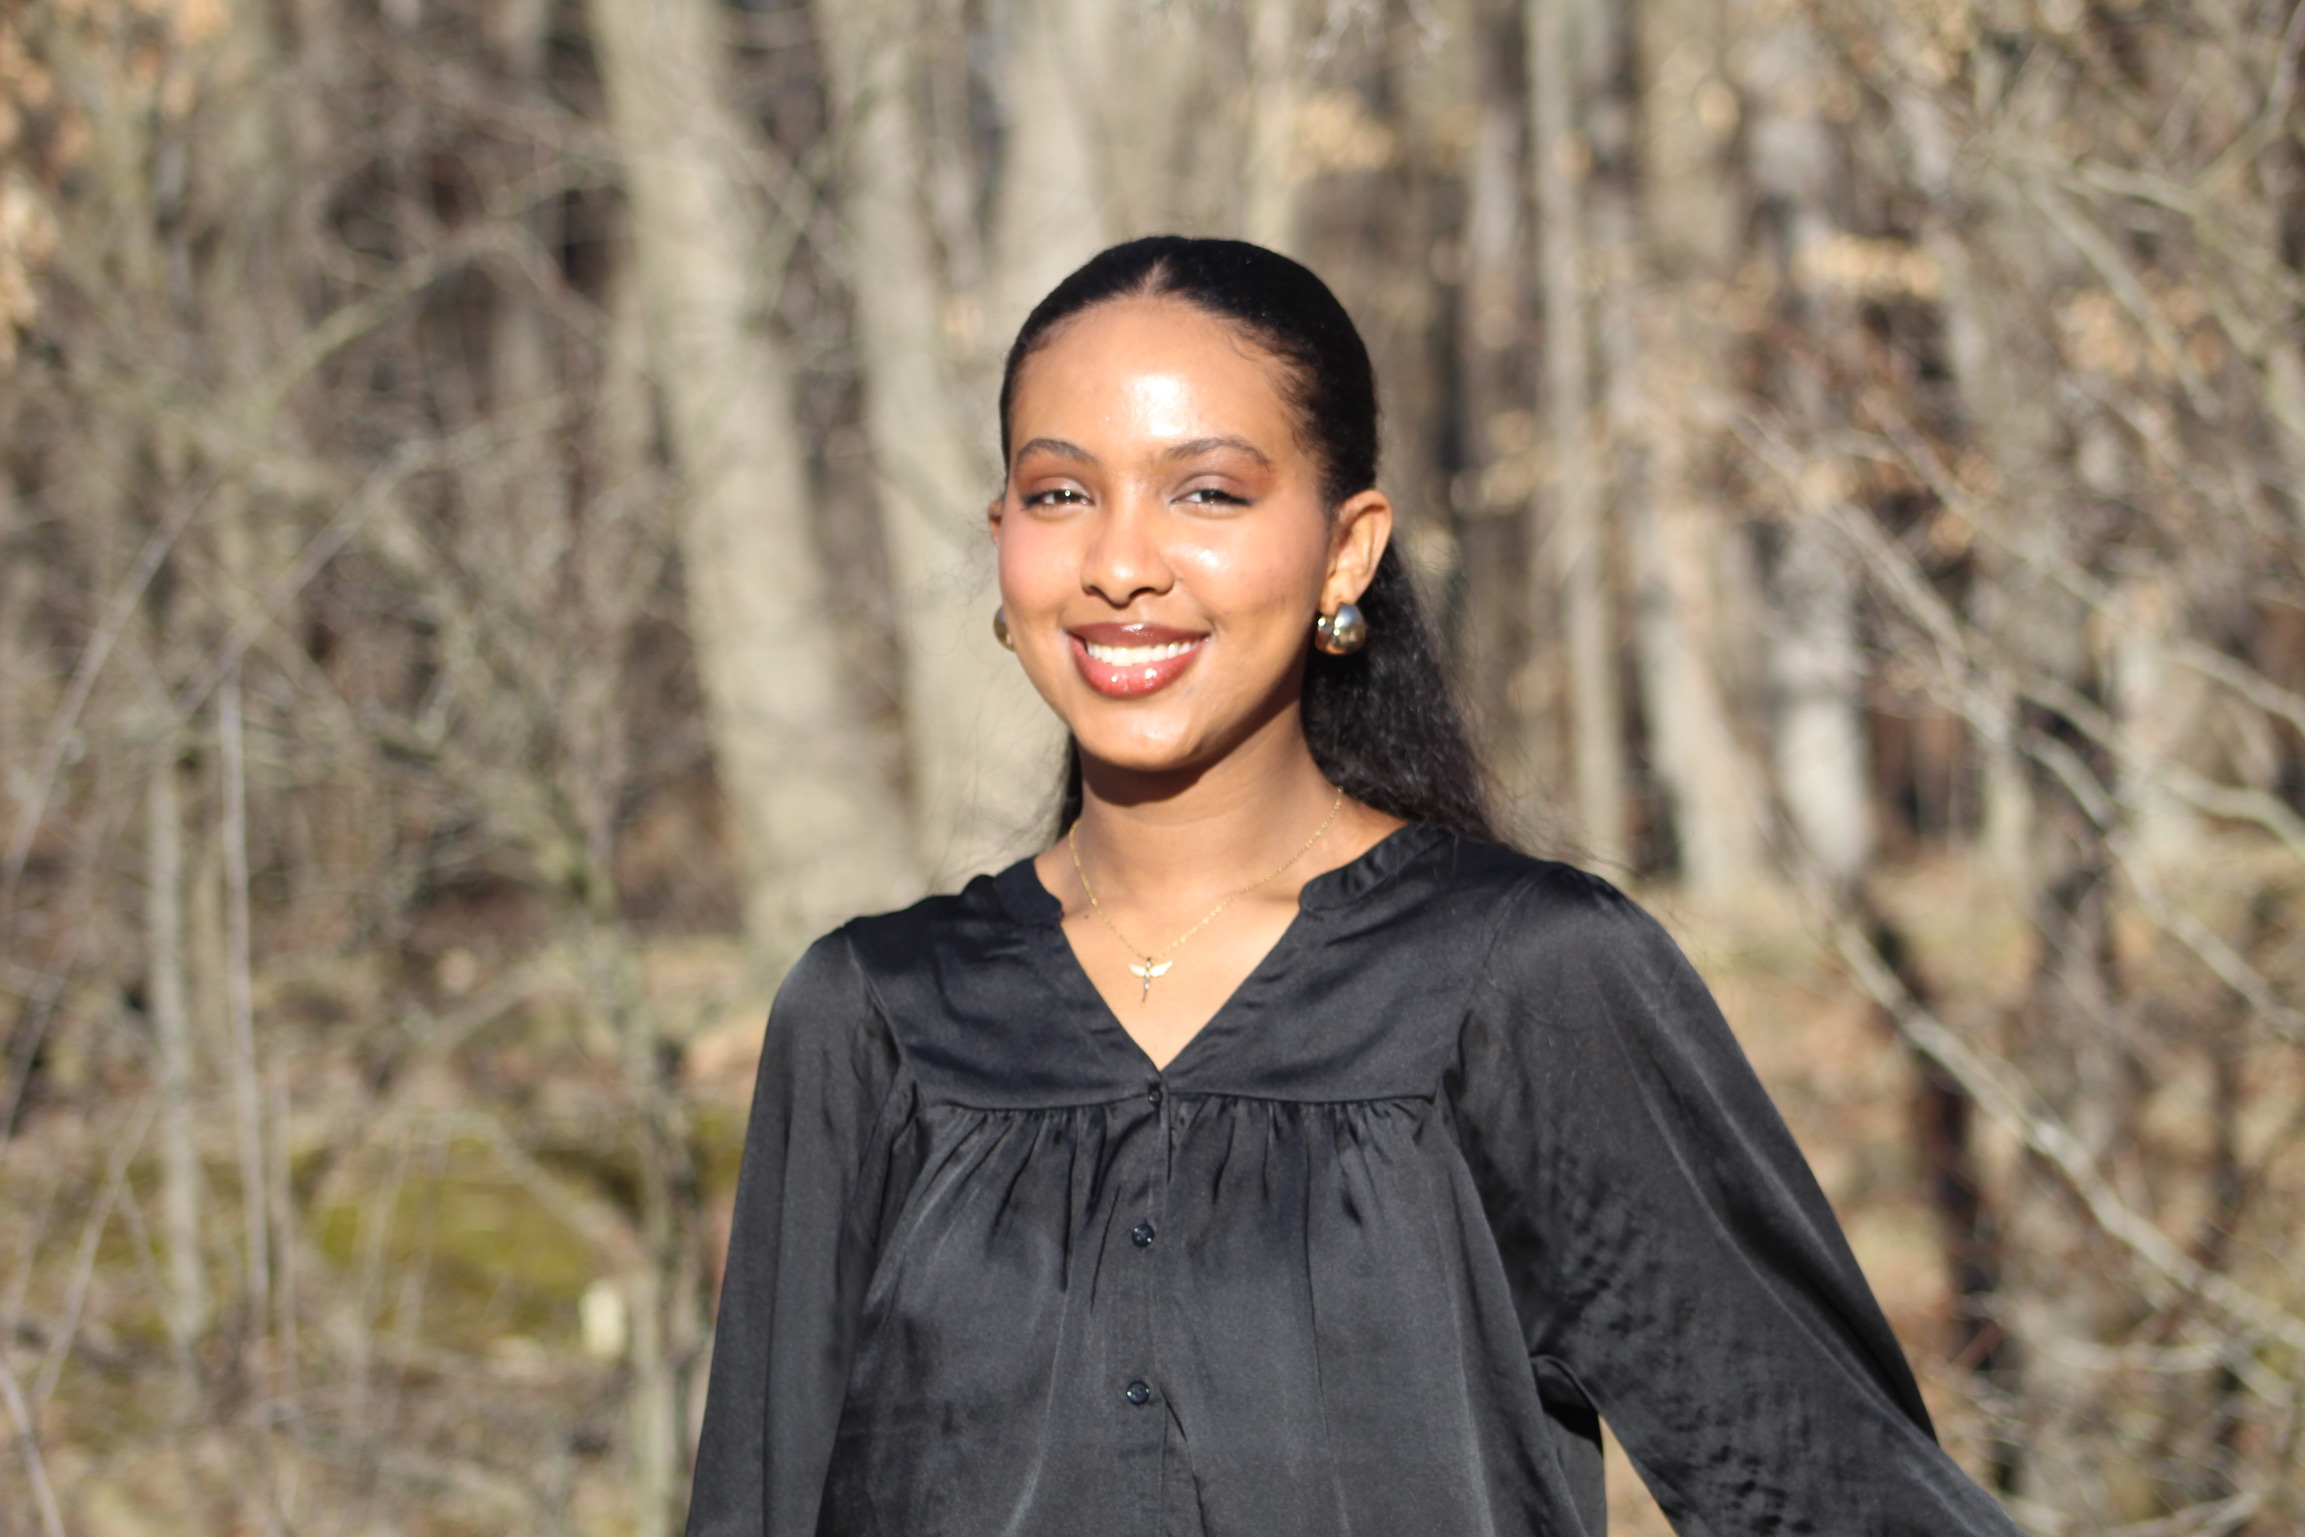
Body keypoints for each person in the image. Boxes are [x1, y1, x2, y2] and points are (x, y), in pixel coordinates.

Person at [684, 235, 2020, 1536]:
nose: (1118, 561)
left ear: (1346, 548)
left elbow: (1826, 1482)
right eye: (1059, 493)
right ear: (1002, 539)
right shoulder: (873, 1011)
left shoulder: (1528, 977)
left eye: (1205, 492)